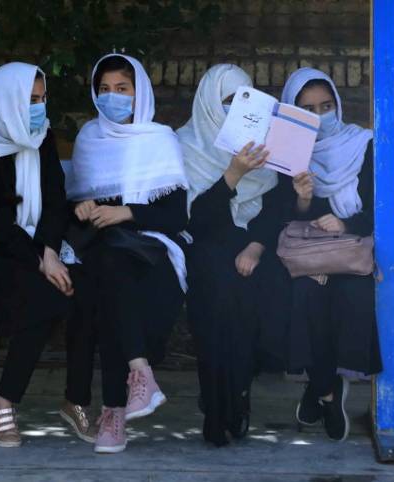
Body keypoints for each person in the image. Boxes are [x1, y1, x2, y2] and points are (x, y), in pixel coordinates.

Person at [0, 62, 98, 447]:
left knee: (83, 292)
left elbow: (54, 199)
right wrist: (39, 260)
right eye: (30, 100)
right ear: (7, 101)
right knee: (46, 299)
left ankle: (76, 400)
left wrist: (49, 251)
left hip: (43, 242)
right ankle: (5, 398)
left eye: (42, 98)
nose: (38, 107)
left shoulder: (42, 137)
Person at [67, 53, 189, 454]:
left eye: (123, 89)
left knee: (113, 278)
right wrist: (81, 208)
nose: (112, 97)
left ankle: (115, 410)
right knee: (108, 273)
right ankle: (136, 381)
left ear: (140, 95)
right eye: (104, 90)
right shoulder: (89, 137)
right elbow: (74, 205)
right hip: (102, 249)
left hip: (150, 247)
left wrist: (128, 212)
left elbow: (174, 216)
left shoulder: (159, 139)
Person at [177, 64, 292, 446]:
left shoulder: (267, 147)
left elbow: (276, 206)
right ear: (210, 103)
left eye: (245, 101)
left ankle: (238, 392)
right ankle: (217, 406)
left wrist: (257, 246)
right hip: (207, 244)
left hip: (254, 243)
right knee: (219, 293)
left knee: (260, 294)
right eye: (228, 101)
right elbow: (194, 221)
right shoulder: (184, 145)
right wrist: (233, 174)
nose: (235, 110)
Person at [279, 67, 382, 442]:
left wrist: (345, 223)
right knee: (305, 292)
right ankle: (327, 389)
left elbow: (378, 207)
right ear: (293, 113)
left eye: (326, 105)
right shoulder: (289, 152)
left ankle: (317, 388)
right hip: (309, 252)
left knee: (348, 293)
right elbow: (284, 213)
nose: (320, 116)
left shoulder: (364, 144)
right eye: (307, 109)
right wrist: (303, 199)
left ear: (338, 104)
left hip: (353, 248)